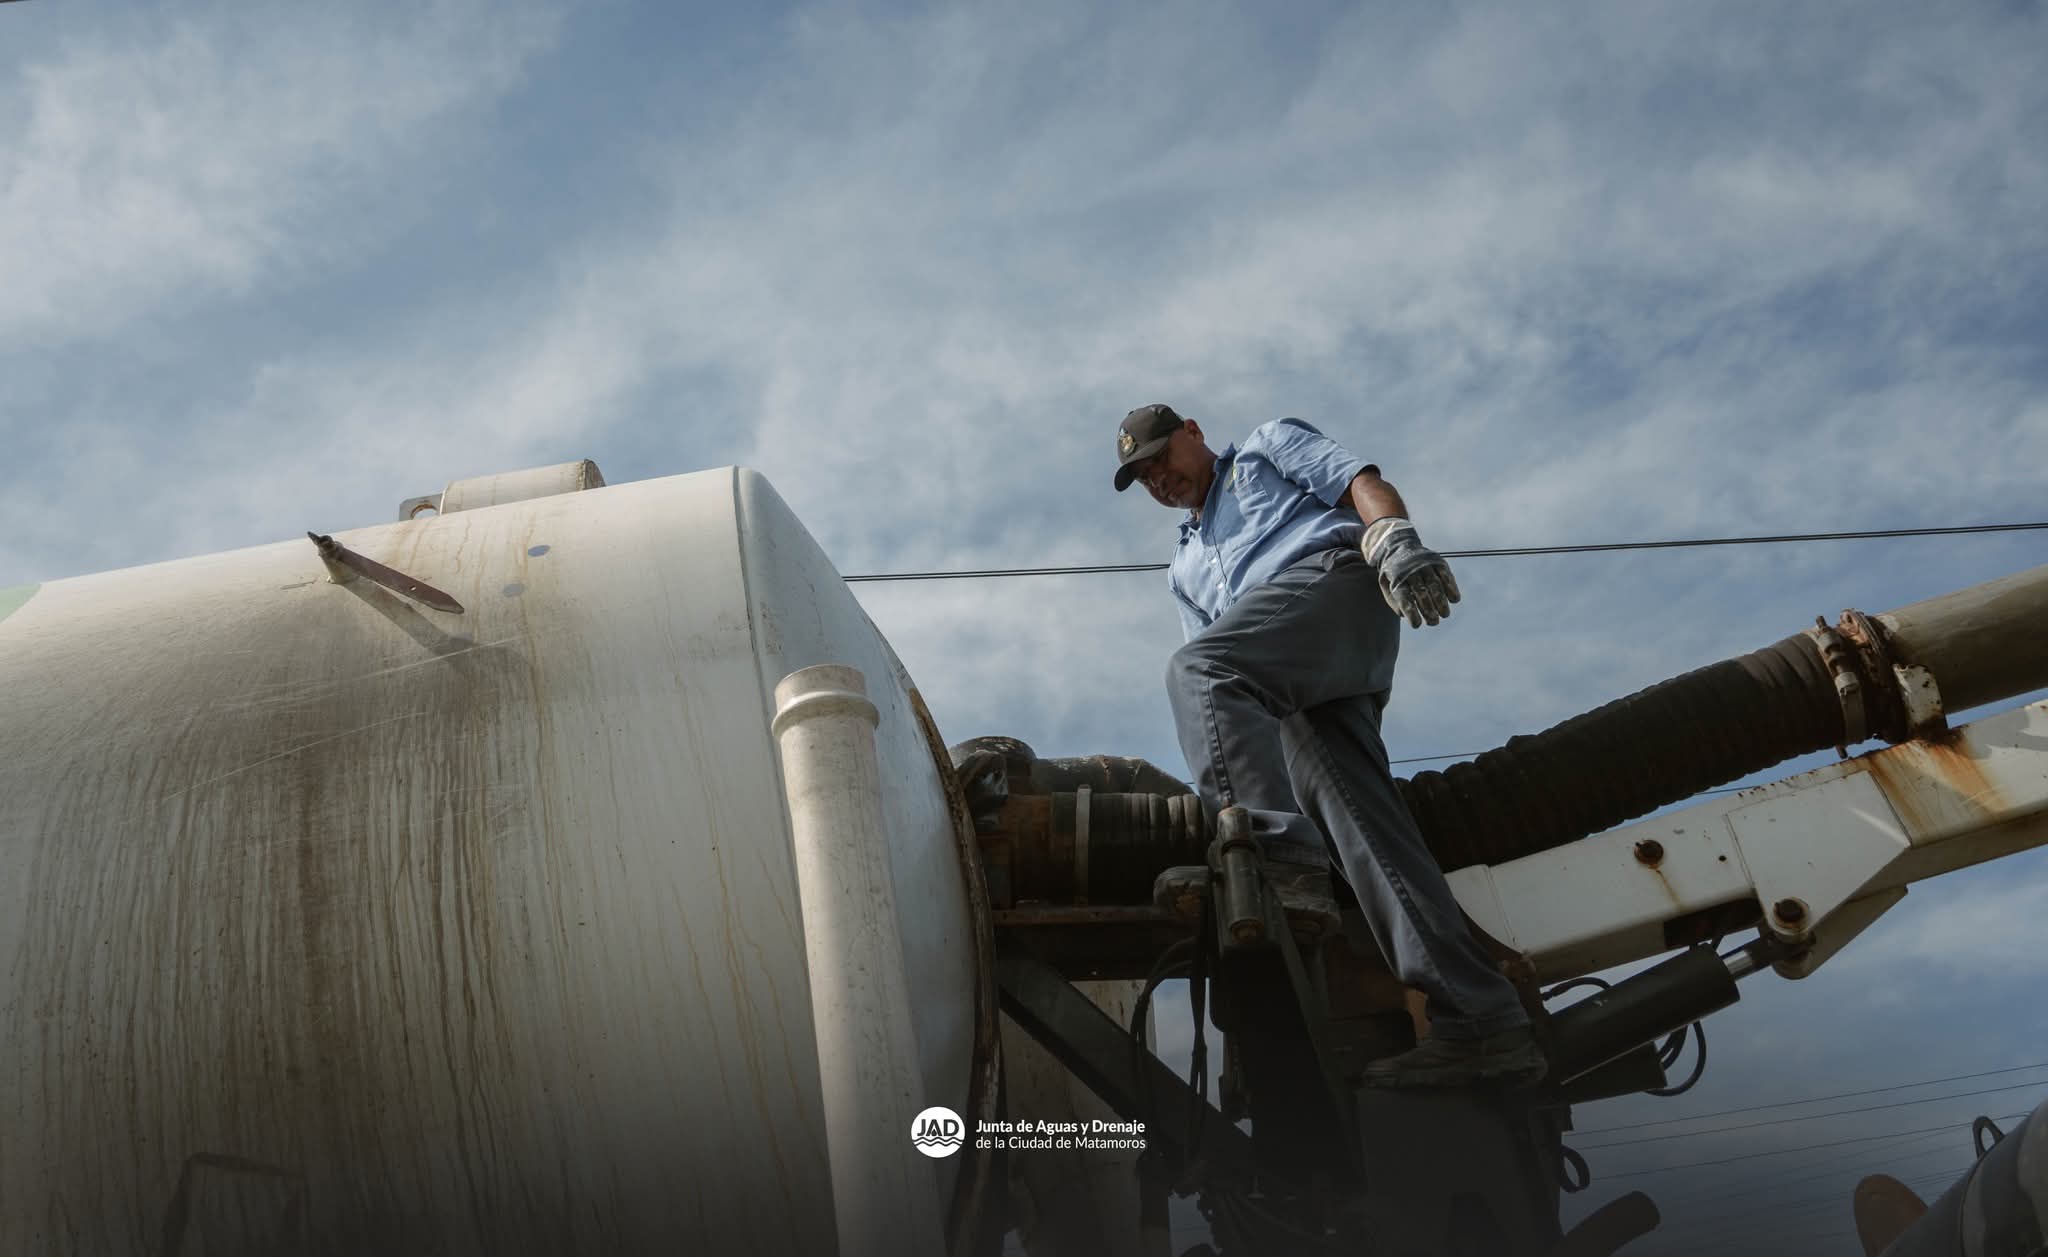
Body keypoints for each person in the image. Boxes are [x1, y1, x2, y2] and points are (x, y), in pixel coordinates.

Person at [1112, 402, 1543, 1087]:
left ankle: (1274, 862)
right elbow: (1222, 687)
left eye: (1161, 457)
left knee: (1199, 672)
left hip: (1333, 585)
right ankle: (1480, 1019)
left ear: (1193, 432)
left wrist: (1395, 539)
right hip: (1288, 671)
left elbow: (1355, 481)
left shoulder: (1262, 450)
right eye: (1142, 476)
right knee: (1363, 829)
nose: (1157, 478)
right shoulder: (1182, 569)